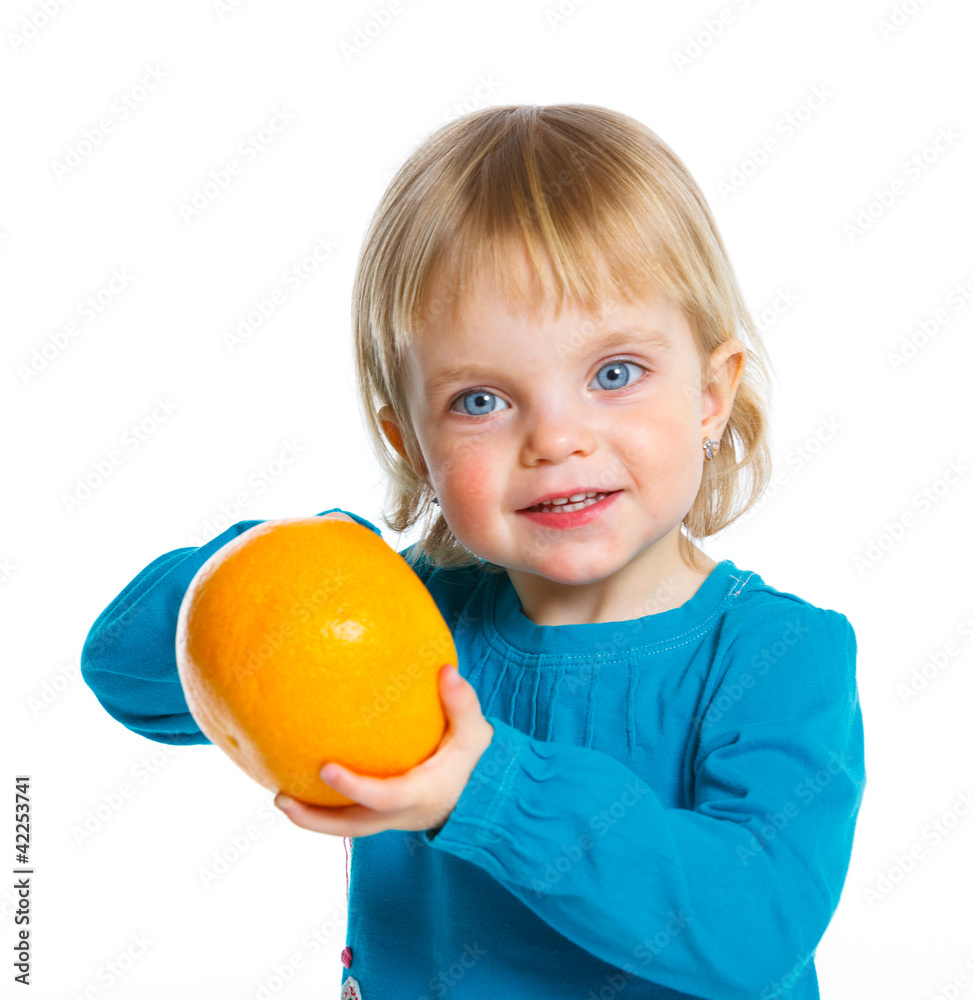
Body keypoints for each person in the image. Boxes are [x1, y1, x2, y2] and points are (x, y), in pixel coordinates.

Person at [81, 104, 866, 1000]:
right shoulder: (402, 618)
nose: (556, 438)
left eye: (614, 374)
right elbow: (128, 674)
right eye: (480, 401)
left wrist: (489, 793)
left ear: (710, 396)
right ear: (411, 443)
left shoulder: (780, 657)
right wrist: (294, 564)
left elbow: (754, 928)